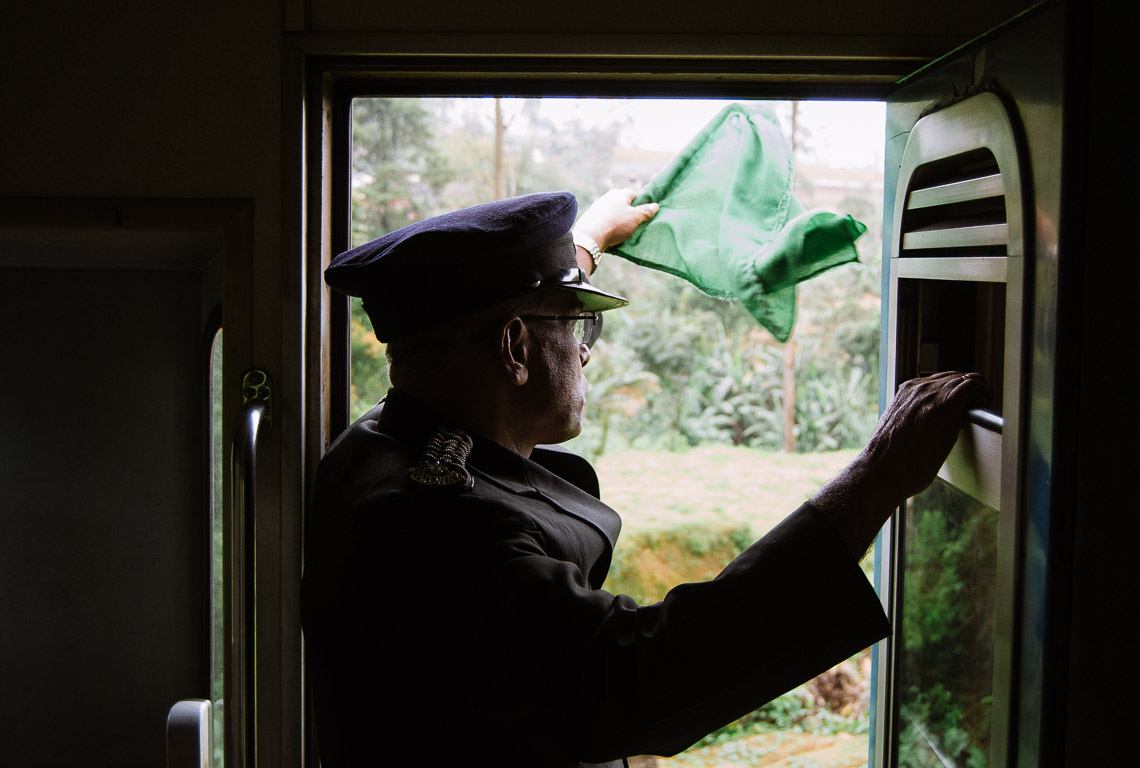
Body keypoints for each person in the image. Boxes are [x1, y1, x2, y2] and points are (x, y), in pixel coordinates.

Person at [302, 189, 988, 768]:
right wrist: (875, 479)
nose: (585, 355)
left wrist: (586, 243)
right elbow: (641, 677)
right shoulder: (442, 528)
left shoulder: (385, 443)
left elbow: (482, 306)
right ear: (514, 346)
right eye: (580, 330)